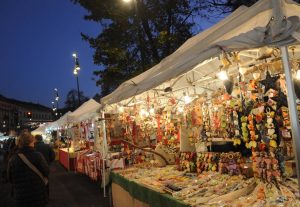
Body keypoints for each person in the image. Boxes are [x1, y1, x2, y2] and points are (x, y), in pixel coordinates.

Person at [7, 132, 49, 207]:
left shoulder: (13, 158)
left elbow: (10, 178)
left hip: (20, 194)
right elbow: (46, 171)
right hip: (37, 192)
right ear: (31, 142)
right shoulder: (37, 155)